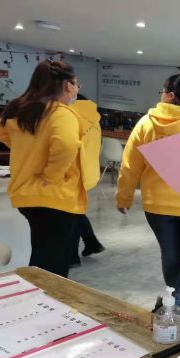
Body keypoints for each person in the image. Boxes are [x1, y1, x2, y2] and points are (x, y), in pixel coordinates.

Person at [116, 74, 180, 308]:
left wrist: (124, 197)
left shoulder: (146, 123)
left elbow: (130, 164)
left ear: (169, 95)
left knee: (170, 255)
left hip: (156, 204)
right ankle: (179, 303)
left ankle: (172, 301)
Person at [0, 60, 86, 277]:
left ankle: (35, 293)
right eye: (76, 83)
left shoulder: (20, 109)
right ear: (66, 85)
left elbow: (3, 133)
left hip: (26, 195)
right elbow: (66, 145)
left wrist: (27, 151)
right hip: (54, 196)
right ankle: (42, 297)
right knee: (54, 267)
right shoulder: (61, 113)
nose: (77, 89)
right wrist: (52, 175)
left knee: (42, 255)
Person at [69, 93, 105, 267]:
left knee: (71, 214)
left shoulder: (72, 117)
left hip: (74, 172)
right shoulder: (94, 119)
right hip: (88, 172)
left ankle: (72, 256)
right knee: (75, 212)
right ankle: (91, 242)